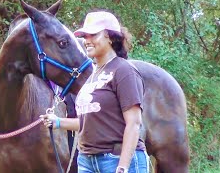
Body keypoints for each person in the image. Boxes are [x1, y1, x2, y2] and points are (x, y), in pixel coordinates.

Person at [40, 10, 149, 173]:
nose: (87, 40)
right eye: (85, 36)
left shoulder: (123, 70)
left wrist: (123, 167)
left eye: (93, 35)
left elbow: (134, 123)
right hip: (87, 161)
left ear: (111, 37)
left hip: (116, 159)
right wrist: (57, 122)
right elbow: (89, 122)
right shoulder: (93, 76)